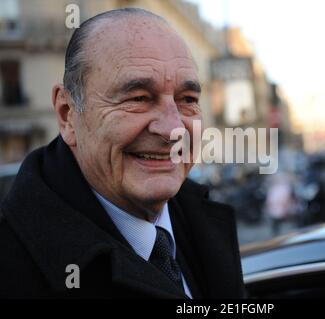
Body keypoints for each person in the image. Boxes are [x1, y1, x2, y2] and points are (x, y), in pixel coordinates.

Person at [0, 8, 244, 299]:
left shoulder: (200, 224)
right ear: (67, 115)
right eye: (138, 98)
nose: (173, 129)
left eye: (187, 100)